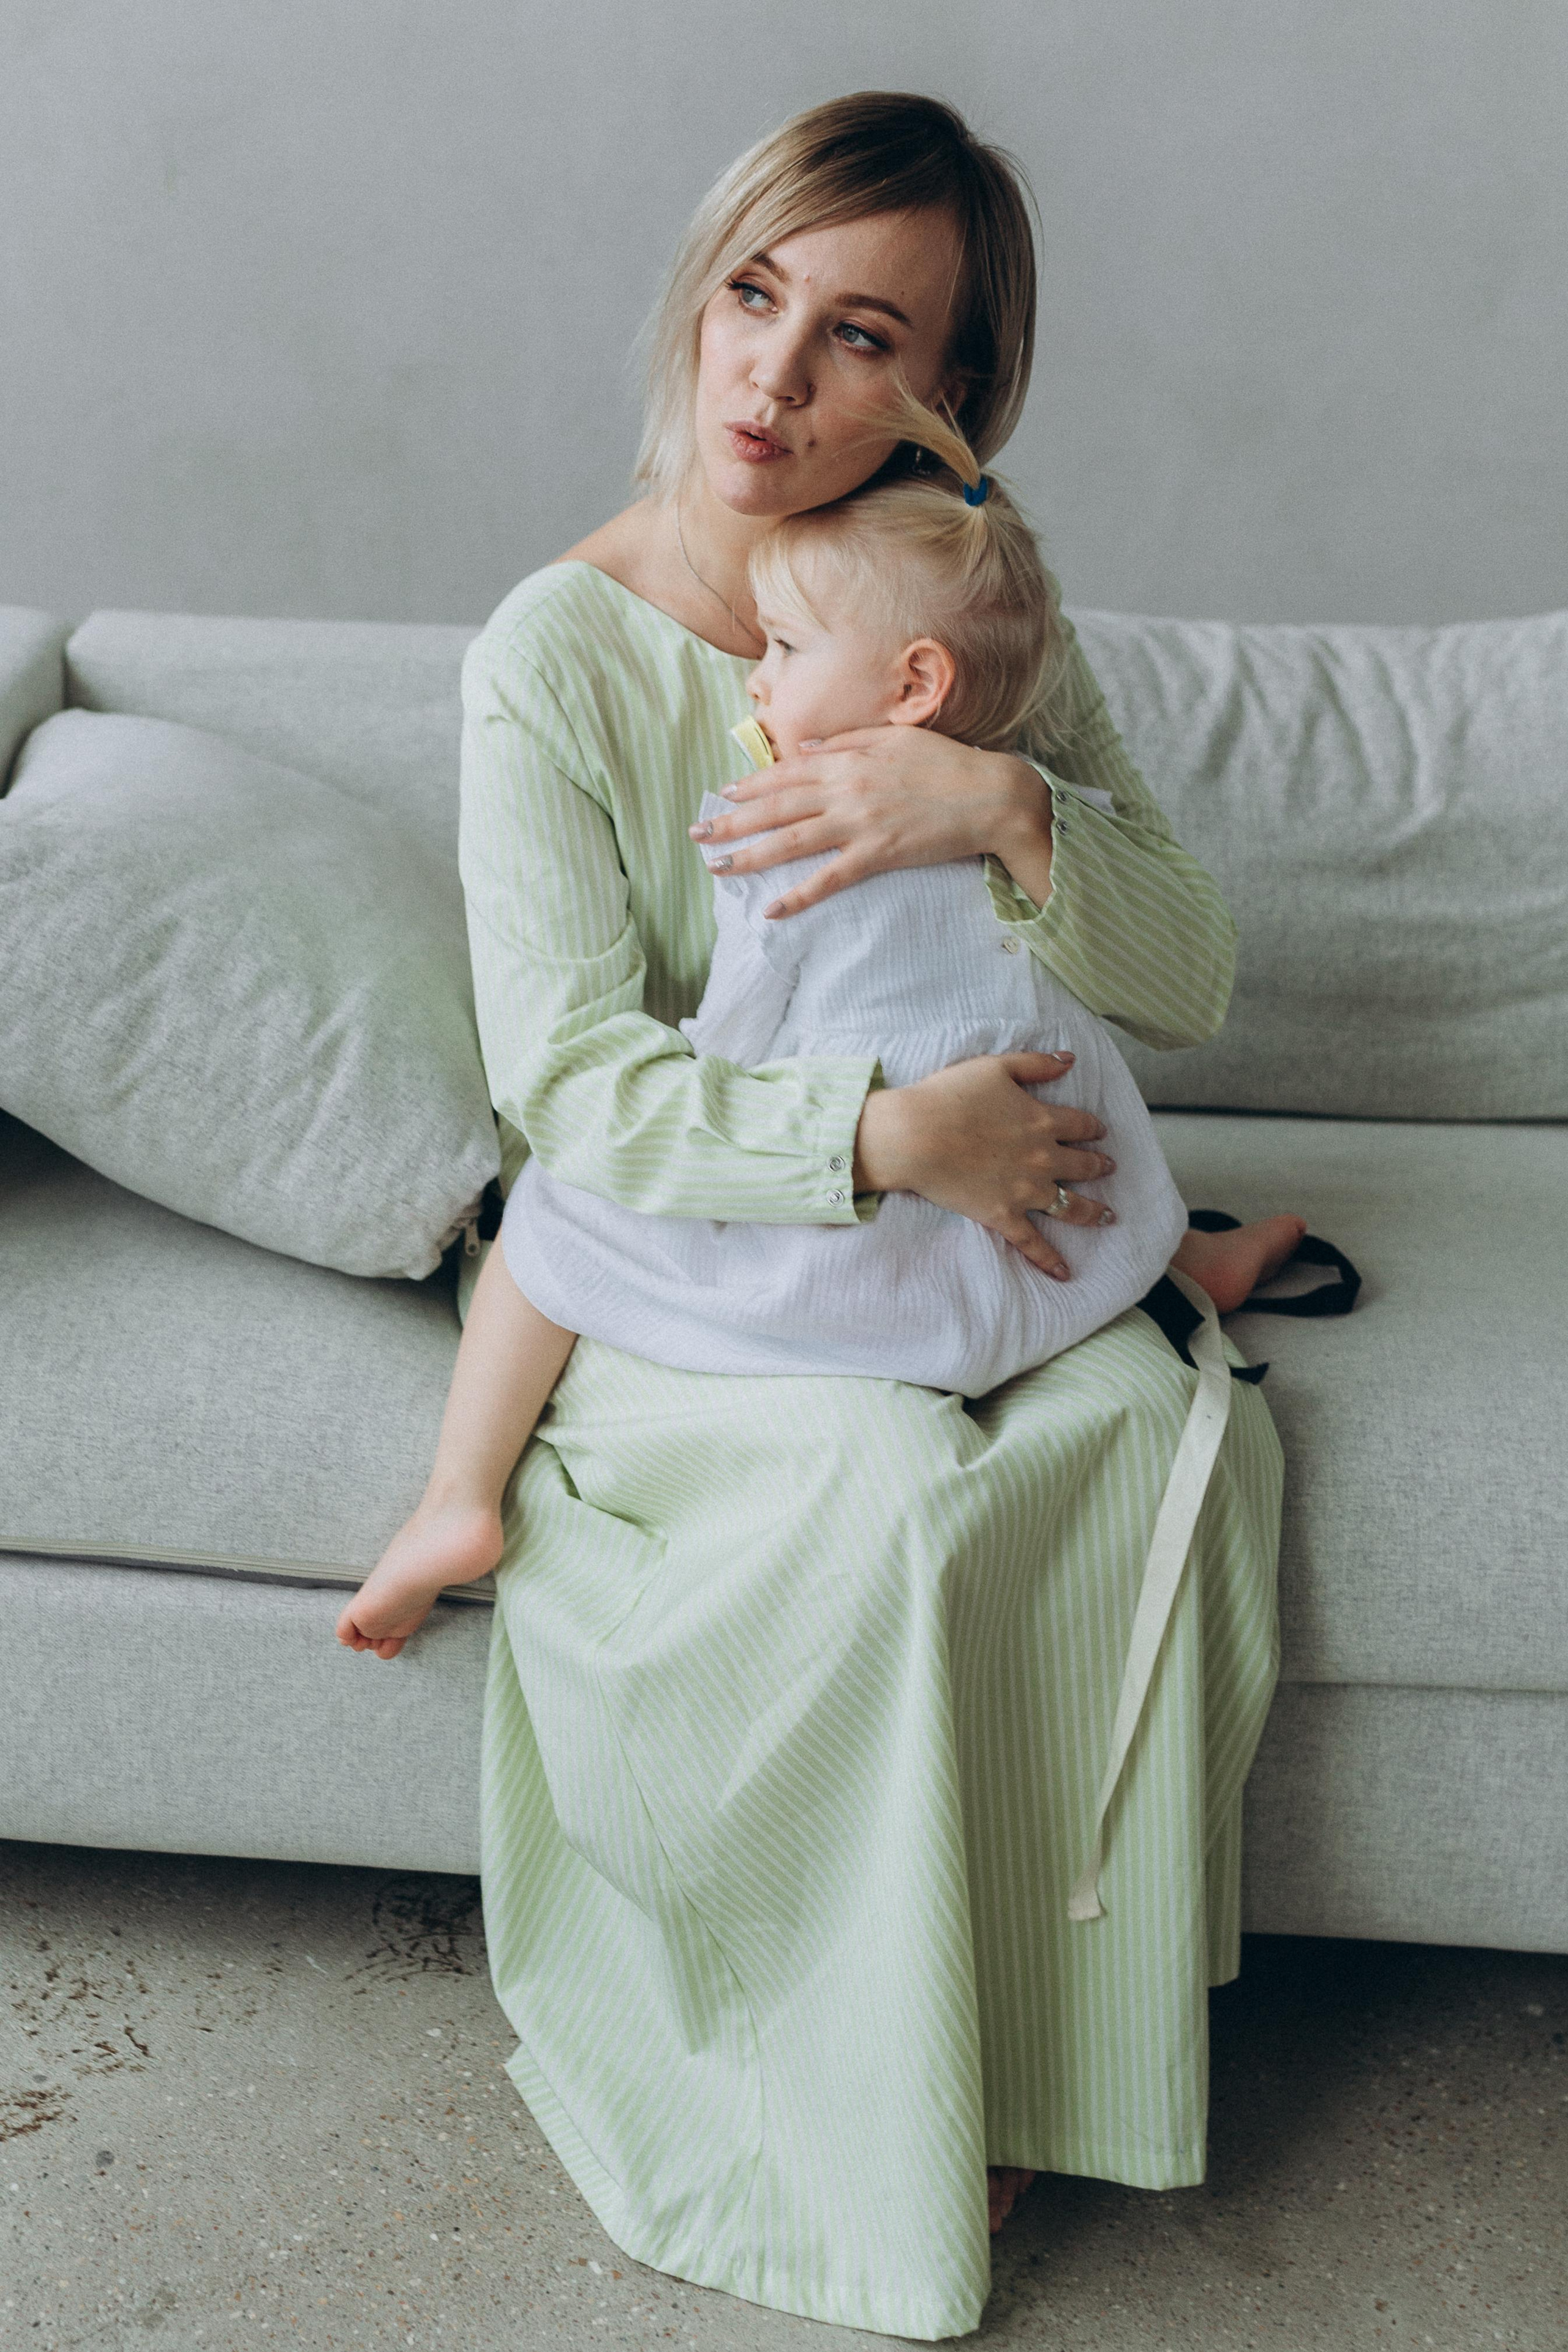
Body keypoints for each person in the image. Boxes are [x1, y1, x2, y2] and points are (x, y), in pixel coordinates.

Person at [342, 93, 1286, 2340]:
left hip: (931, 1254)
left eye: (863, 337)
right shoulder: (550, 663)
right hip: (706, 1258)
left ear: (951, 398)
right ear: (700, 289)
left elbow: (1190, 979)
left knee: (1147, 1433)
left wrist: (999, 801)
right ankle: (822, 2128)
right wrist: (885, 1141)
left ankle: (1037, 2056)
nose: (771, 377)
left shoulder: (960, 602)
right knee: (875, 1501)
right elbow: (570, 1083)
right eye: (754, 293)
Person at [339, 435, 1302, 1624]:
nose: (754, 678)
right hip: (1020, 1220)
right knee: (1074, 1108)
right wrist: (1022, 818)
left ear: (910, 686)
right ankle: (1173, 1258)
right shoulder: (1029, 806)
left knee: (548, 1218)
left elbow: (736, 1036)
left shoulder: (787, 837)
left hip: (867, 1242)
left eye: (785, 650)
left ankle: (458, 1492)